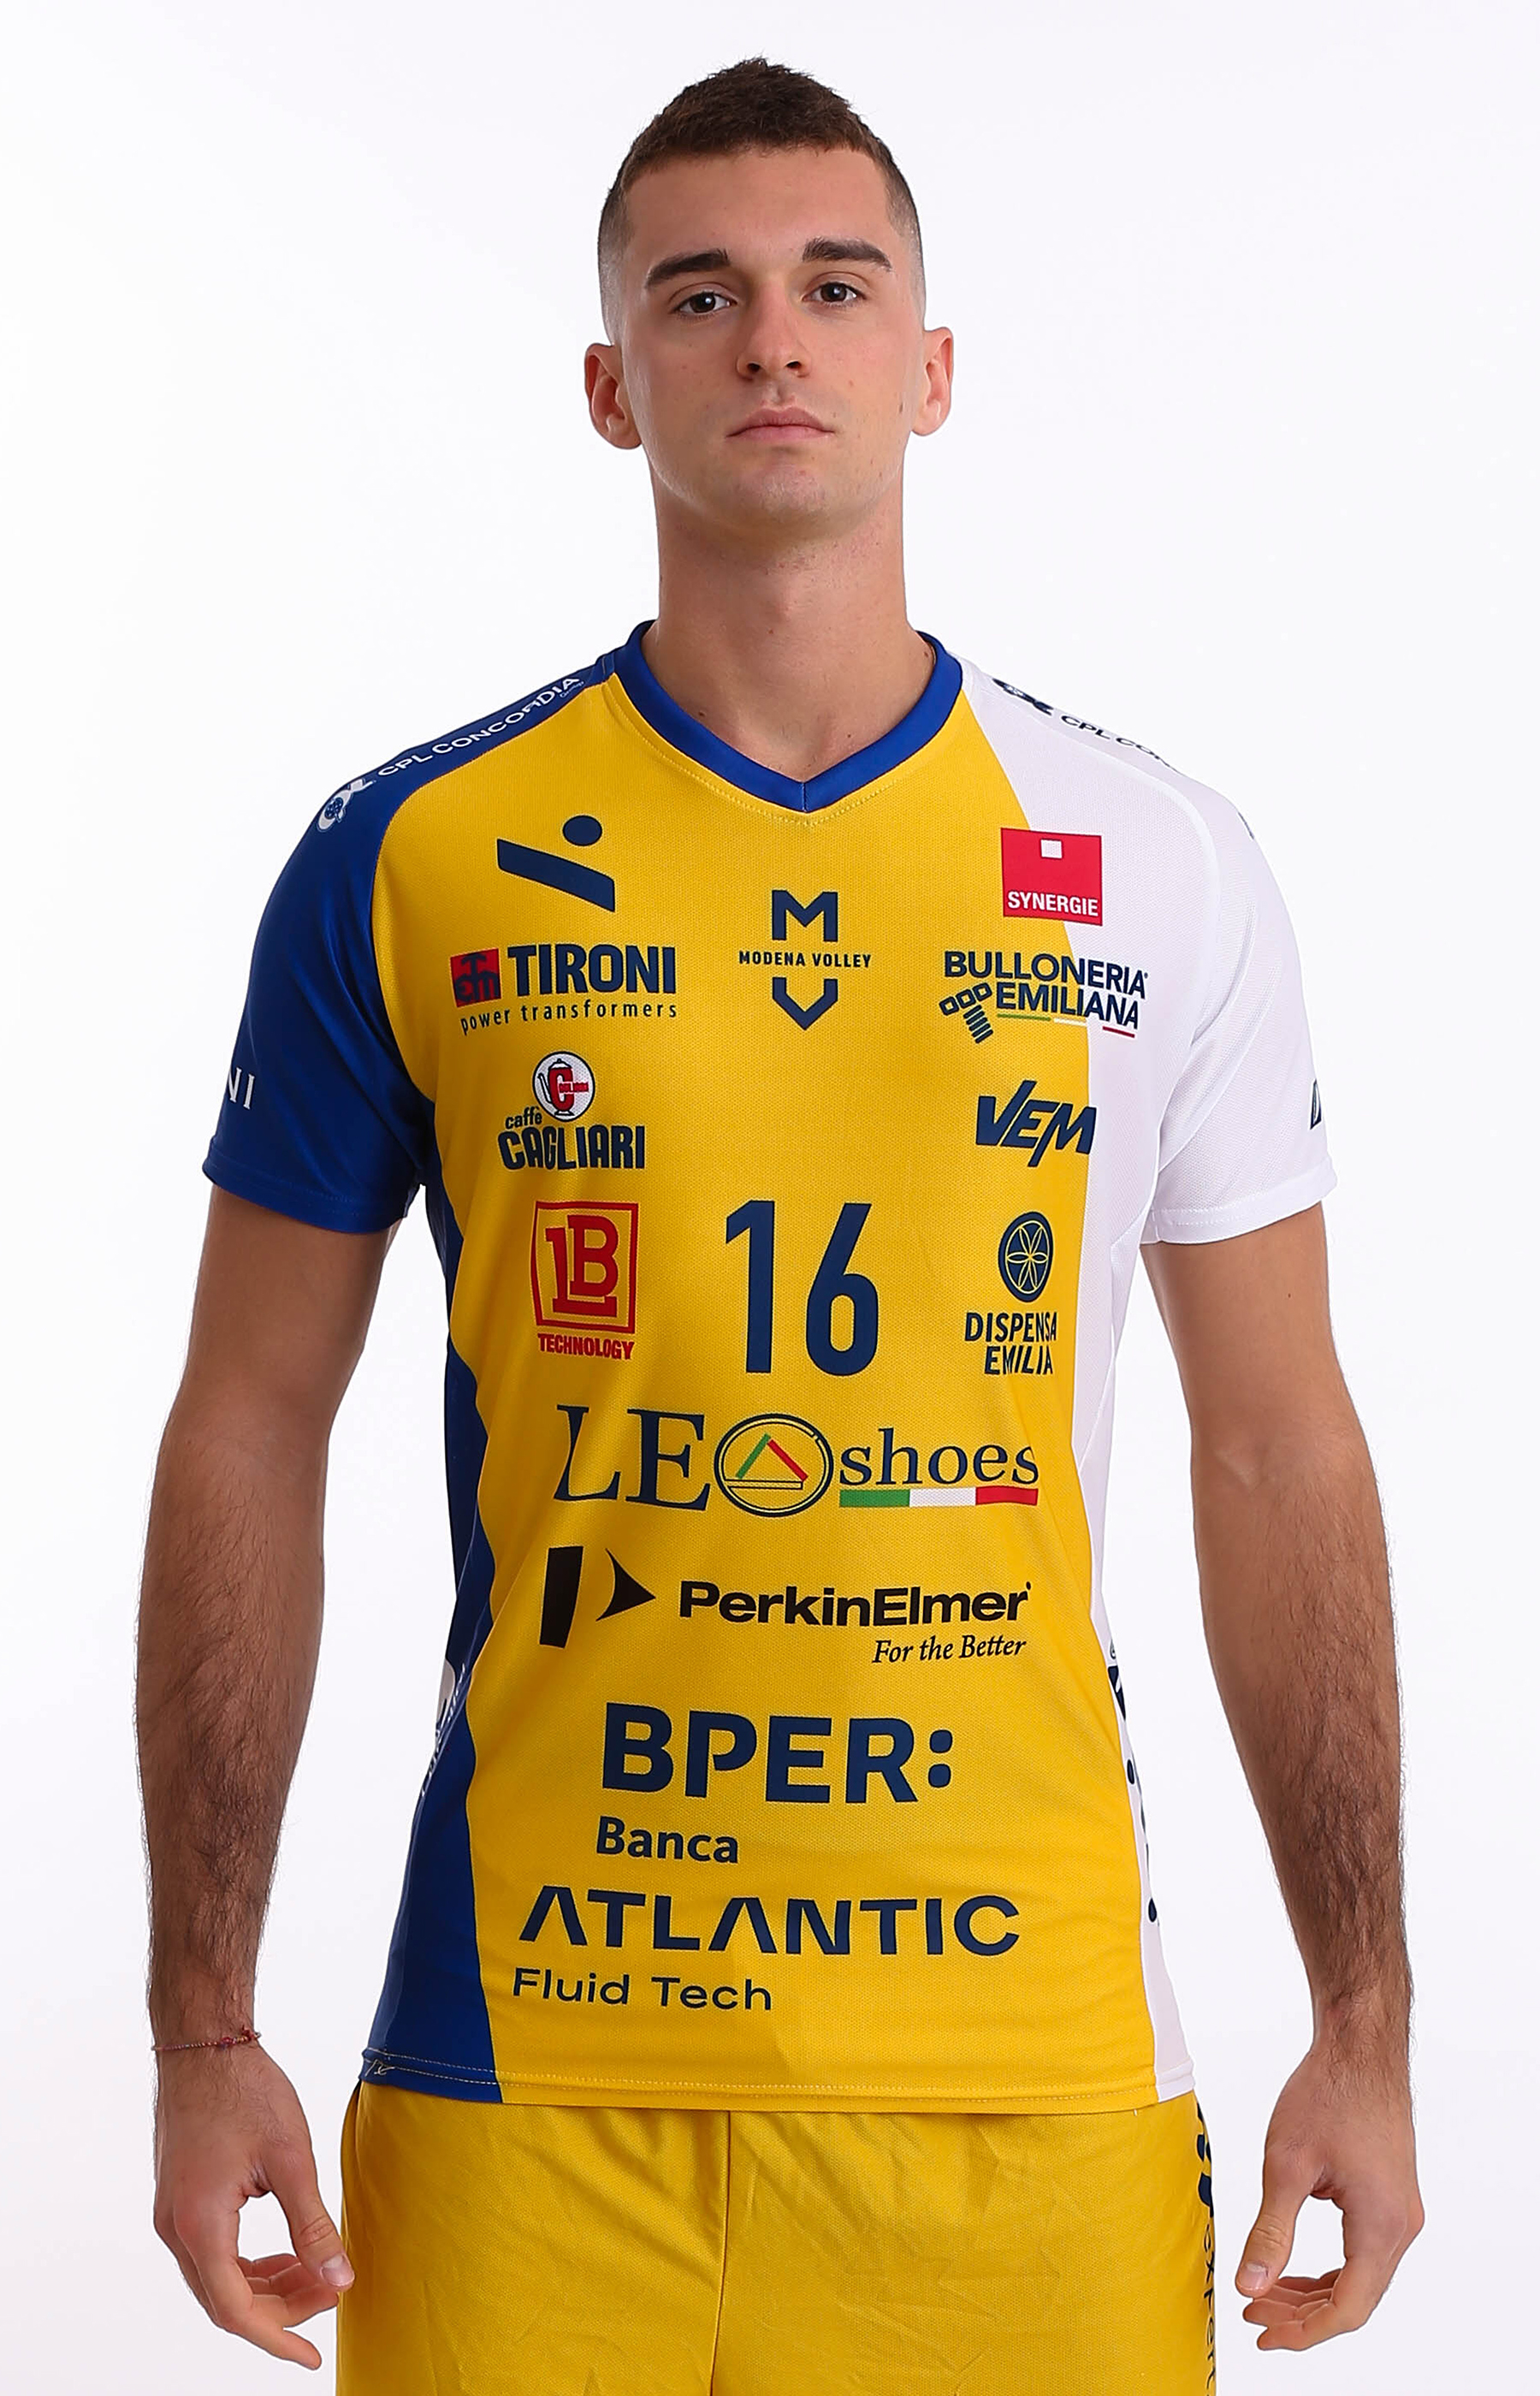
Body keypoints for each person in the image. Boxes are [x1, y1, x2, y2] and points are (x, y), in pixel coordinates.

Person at [137, 56, 1422, 2394]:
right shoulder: (410, 855)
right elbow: (245, 1421)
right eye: (700, 295)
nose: (773, 342)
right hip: (530, 2078)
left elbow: (1279, 1448)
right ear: (610, 383)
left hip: (1026, 2073)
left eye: (838, 287)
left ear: (931, 367)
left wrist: (1367, 2015)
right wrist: (200, 2025)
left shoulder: (1159, 861)